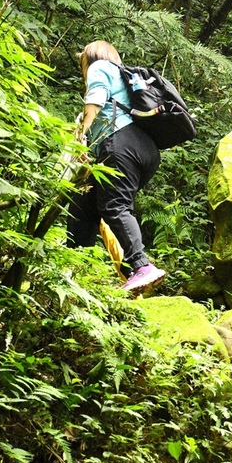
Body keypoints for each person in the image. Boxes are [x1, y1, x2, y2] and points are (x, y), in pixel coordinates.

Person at [66, 40, 165, 294]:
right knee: (84, 206)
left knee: (115, 207)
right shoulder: (123, 79)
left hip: (122, 144)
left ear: (89, 58)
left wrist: (80, 138)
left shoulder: (100, 66)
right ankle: (73, 272)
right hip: (143, 150)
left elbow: (96, 100)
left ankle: (142, 266)